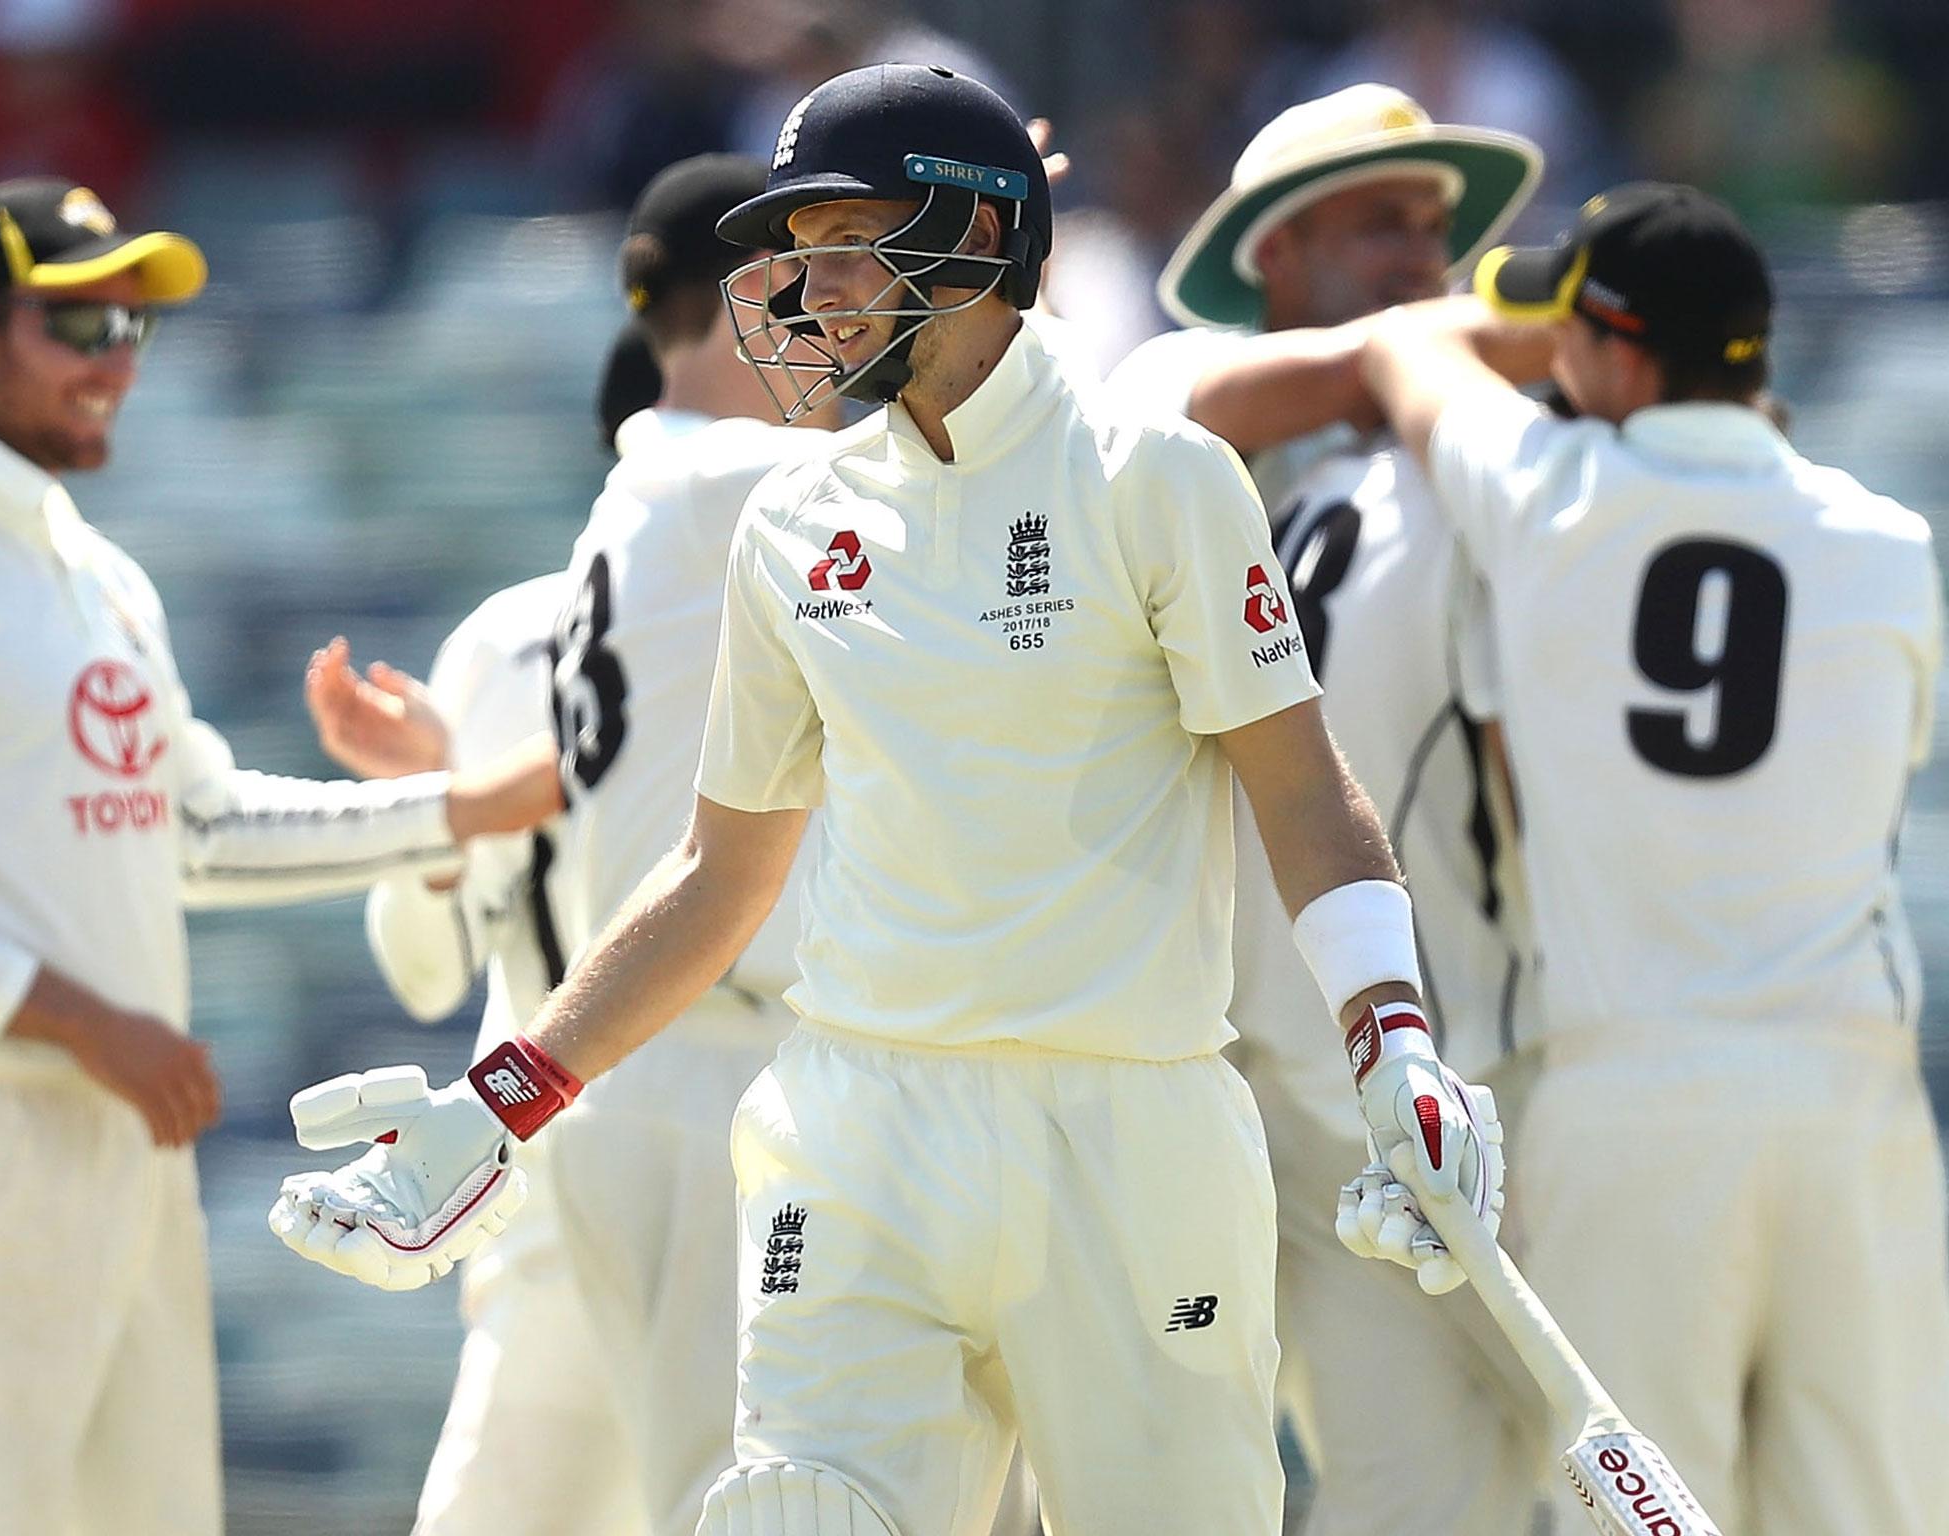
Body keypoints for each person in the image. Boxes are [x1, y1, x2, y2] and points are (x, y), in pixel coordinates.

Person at [270, 65, 1503, 1536]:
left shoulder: (1154, 476)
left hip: (1127, 1137)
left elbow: (1304, 794)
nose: (805, 288)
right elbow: (719, 875)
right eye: (799, 247)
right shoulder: (791, 519)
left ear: (977, 244)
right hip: (857, 1130)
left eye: (846, 240)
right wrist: (504, 1101)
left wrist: (1394, 1042)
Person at [0, 176, 552, 1536]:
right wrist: (85, 1025)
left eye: (131, 328)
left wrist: (452, 808)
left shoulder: (102, 577)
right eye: (75, 325)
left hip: (128, 1135)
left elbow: (196, 825)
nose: (113, 363)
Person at [1358, 181, 1949, 1536]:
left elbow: (1404, 349)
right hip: (1848, 1097)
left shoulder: (1547, 487)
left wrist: (1506, 347)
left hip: (1637, 1097)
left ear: (1621, 357)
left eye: (1571, 342)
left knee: (1641, 1520)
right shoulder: (1886, 542)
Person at [1107, 84, 1549, 1533]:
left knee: (1432, 1495)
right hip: (1200, 1077)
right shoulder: (1171, 393)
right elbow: (1262, 391)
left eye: (1436, 231)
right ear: (1272, 256)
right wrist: (1487, 344)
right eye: (1380, 223)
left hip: (1426, 1072)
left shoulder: (1488, 451)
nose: (1421, 259)